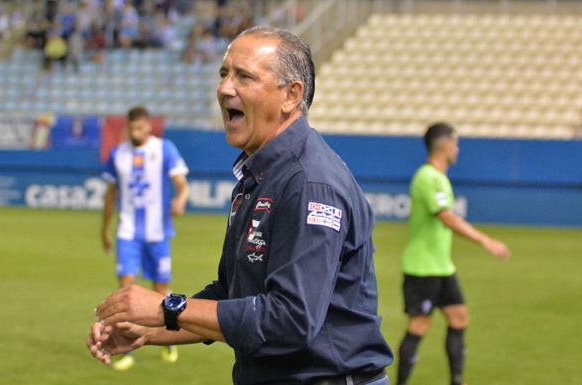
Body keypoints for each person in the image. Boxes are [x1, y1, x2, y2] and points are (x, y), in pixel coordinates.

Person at [87, 26, 393, 385]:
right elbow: (233, 296)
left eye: (243, 76)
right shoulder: (259, 176)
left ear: (291, 95)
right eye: (223, 74)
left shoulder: (309, 184)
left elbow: (290, 320)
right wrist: (150, 328)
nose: (224, 88)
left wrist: (164, 306)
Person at [396, 122, 511, 385]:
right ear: (446, 143)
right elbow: (447, 218)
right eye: (456, 143)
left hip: (441, 266)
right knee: (420, 325)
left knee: (459, 316)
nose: (458, 149)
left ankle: (457, 381)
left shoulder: (439, 177)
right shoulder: (427, 177)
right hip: (422, 267)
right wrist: (485, 241)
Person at [100, 106, 190, 370]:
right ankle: (125, 349)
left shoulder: (164, 149)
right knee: (126, 291)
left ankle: (169, 337)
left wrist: (181, 198)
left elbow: (181, 183)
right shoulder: (118, 154)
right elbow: (110, 195)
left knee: (160, 289)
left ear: (149, 126)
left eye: (140, 128)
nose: (136, 132)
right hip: (127, 232)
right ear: (127, 127)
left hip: (157, 232)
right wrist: (104, 229)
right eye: (132, 128)